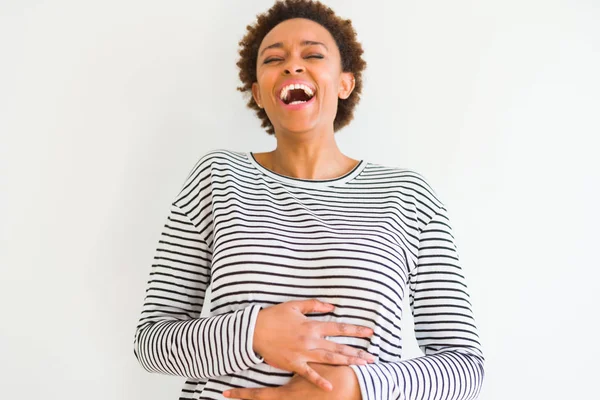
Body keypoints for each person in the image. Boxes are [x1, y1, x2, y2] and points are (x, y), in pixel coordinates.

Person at [132, 0, 485, 399]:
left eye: (313, 54)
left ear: (344, 83)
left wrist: (352, 387)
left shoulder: (407, 196)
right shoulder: (217, 178)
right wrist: (254, 333)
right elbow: (151, 342)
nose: (292, 66)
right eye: (273, 59)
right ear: (258, 93)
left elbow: (464, 364)